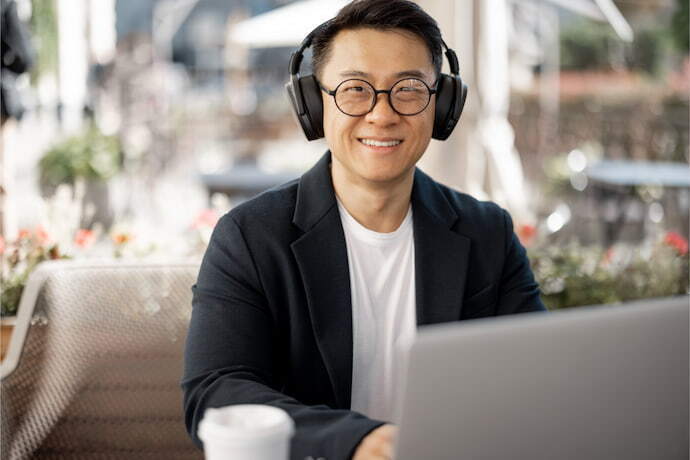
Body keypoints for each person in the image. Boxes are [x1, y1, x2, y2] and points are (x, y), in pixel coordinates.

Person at [182, 1, 546, 459]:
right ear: (314, 103)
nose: (382, 114)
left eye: (409, 89)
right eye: (355, 89)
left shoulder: (487, 233)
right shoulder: (250, 237)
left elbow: (537, 380)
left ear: (442, 103)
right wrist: (357, 441)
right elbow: (215, 393)